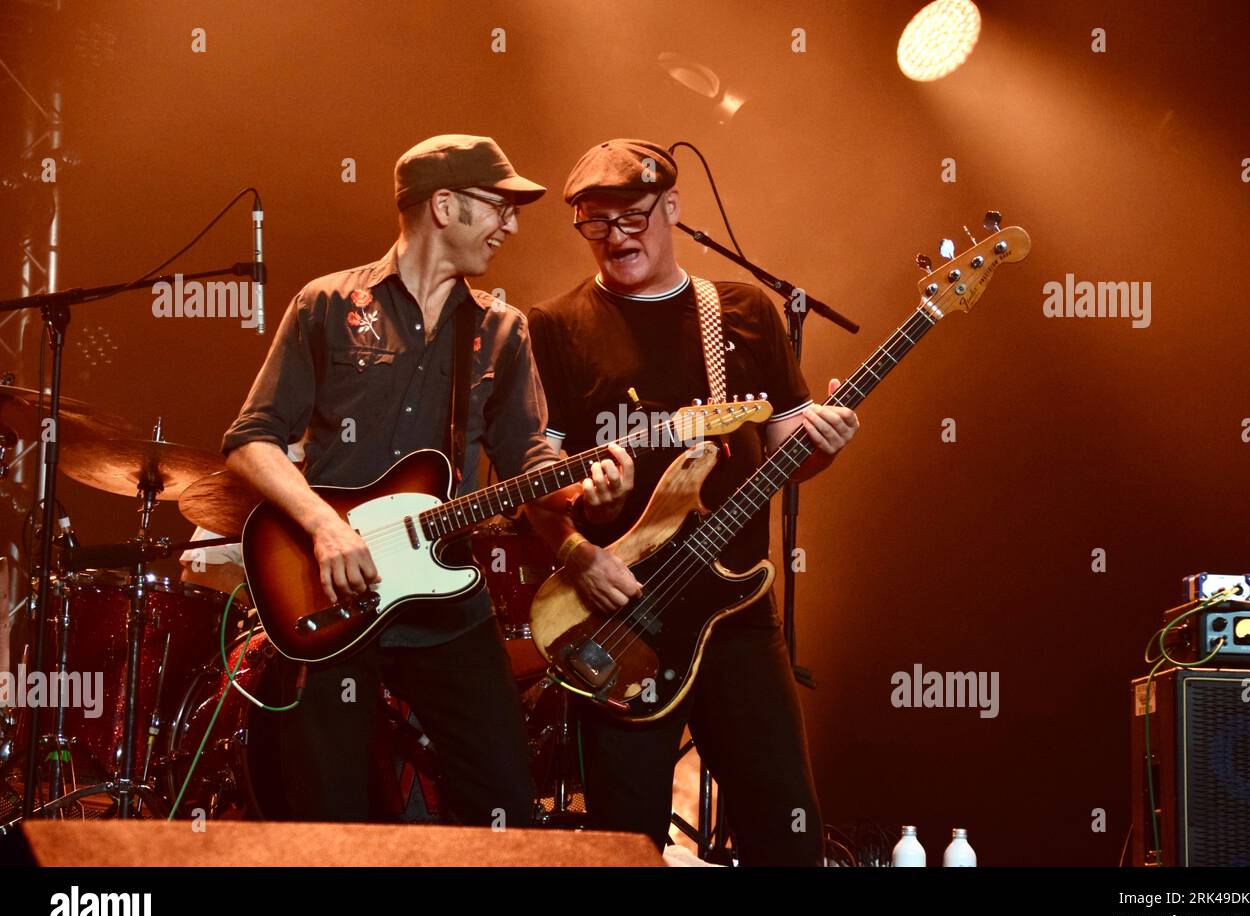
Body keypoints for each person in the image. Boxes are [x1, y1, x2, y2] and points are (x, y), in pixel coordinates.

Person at [221, 134, 632, 824]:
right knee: (331, 819)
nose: (510, 225)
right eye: (498, 206)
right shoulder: (326, 304)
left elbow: (528, 457)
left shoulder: (500, 329)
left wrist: (583, 492)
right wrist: (324, 527)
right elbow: (248, 439)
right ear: (444, 205)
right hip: (332, 594)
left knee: (506, 805)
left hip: (446, 598)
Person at [526, 139, 859, 865]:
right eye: (595, 222)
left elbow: (784, 455)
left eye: (633, 217)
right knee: (625, 847)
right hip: (622, 621)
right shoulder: (551, 327)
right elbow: (533, 480)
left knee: (786, 832)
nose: (617, 238)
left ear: (672, 208)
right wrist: (576, 552)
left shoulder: (740, 310)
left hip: (736, 614)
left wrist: (824, 444)